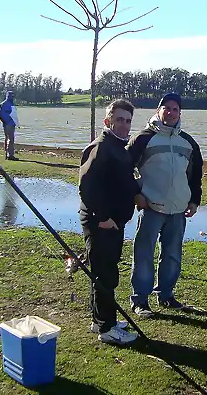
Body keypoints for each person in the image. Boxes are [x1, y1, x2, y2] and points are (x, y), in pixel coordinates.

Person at [127, 92, 203, 318]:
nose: (170, 113)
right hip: (151, 207)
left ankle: (166, 295)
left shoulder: (188, 142)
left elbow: (195, 175)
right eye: (166, 108)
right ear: (158, 111)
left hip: (178, 209)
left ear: (180, 113)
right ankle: (140, 300)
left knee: (171, 254)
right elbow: (125, 169)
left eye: (175, 109)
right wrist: (136, 194)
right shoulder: (143, 138)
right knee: (143, 254)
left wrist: (194, 200)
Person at [79, 99, 140, 345]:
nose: (125, 125)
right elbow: (87, 186)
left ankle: (99, 320)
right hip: (101, 224)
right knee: (105, 275)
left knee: (104, 272)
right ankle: (107, 328)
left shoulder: (118, 147)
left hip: (113, 222)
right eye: (119, 120)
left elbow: (120, 181)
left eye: (128, 121)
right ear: (108, 121)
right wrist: (102, 218)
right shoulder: (102, 147)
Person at [0, 91, 19, 160]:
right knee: (11, 139)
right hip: (8, 124)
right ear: (8, 96)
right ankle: (10, 155)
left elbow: (14, 114)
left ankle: (7, 154)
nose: (12, 97)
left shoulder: (11, 103)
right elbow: (0, 114)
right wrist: (5, 122)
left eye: (13, 96)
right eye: (11, 96)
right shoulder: (4, 104)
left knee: (8, 138)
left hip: (11, 124)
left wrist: (16, 123)